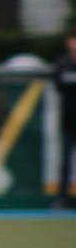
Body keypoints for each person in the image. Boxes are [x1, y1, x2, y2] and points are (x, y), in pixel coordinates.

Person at [51, 25, 76, 209]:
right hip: (68, 121)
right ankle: (62, 197)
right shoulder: (62, 65)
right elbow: (59, 86)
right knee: (66, 163)